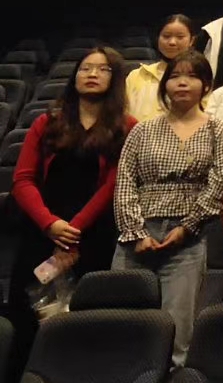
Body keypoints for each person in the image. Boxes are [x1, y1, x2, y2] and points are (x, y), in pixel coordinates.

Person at [8, 48, 134, 369]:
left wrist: (73, 231)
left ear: (115, 79)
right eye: (85, 68)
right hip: (42, 233)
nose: (92, 74)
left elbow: (114, 185)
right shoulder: (47, 122)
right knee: (28, 318)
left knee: (85, 322)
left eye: (102, 69)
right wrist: (50, 224)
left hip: (93, 237)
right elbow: (23, 180)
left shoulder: (127, 127)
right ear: (74, 76)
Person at [112, 50, 223, 367]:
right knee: (121, 323)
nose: (183, 83)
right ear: (164, 85)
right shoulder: (142, 130)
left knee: (177, 333)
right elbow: (125, 182)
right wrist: (136, 232)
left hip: (186, 241)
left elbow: (219, 184)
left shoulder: (220, 130)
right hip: (136, 239)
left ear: (205, 85)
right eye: (175, 76)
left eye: (192, 76)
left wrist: (187, 228)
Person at [125, 14, 196, 122]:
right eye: (166, 36)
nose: (172, 42)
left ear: (191, 41)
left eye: (180, 37)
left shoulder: (200, 77)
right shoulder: (137, 75)